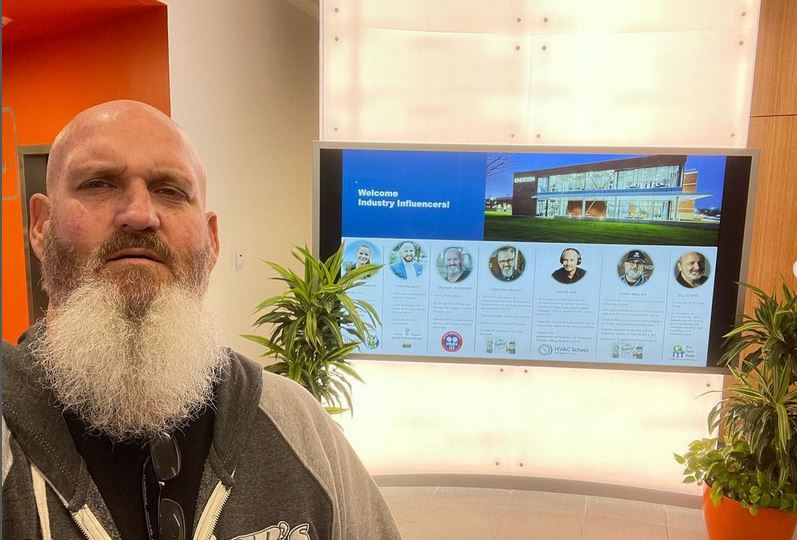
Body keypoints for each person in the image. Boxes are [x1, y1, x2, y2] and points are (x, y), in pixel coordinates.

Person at [1, 101, 400, 540]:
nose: (139, 213)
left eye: (170, 190)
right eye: (98, 183)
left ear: (211, 241)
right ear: (40, 225)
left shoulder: (295, 424)